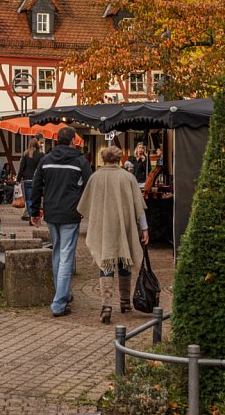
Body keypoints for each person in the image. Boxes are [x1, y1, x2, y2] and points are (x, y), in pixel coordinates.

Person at [77, 146, 149, 323]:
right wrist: (145, 228)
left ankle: (106, 305)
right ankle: (125, 302)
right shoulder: (128, 177)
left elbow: (85, 205)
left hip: (103, 227)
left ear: (104, 159)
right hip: (124, 226)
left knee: (106, 263)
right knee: (124, 260)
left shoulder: (95, 177)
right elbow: (139, 208)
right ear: (119, 159)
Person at [30, 126, 92, 317]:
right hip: (70, 214)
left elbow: (36, 185)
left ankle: (62, 294)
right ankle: (59, 302)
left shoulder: (46, 160)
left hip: (51, 213)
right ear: (73, 141)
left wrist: (34, 211)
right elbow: (90, 186)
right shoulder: (79, 161)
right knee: (66, 256)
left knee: (57, 252)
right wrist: (81, 206)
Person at [17, 138, 42, 220]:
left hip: (27, 179)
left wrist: (18, 179)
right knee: (36, 198)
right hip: (37, 179)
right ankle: (35, 215)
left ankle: (31, 216)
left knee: (28, 199)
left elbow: (21, 168)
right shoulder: (41, 154)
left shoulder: (26, 154)